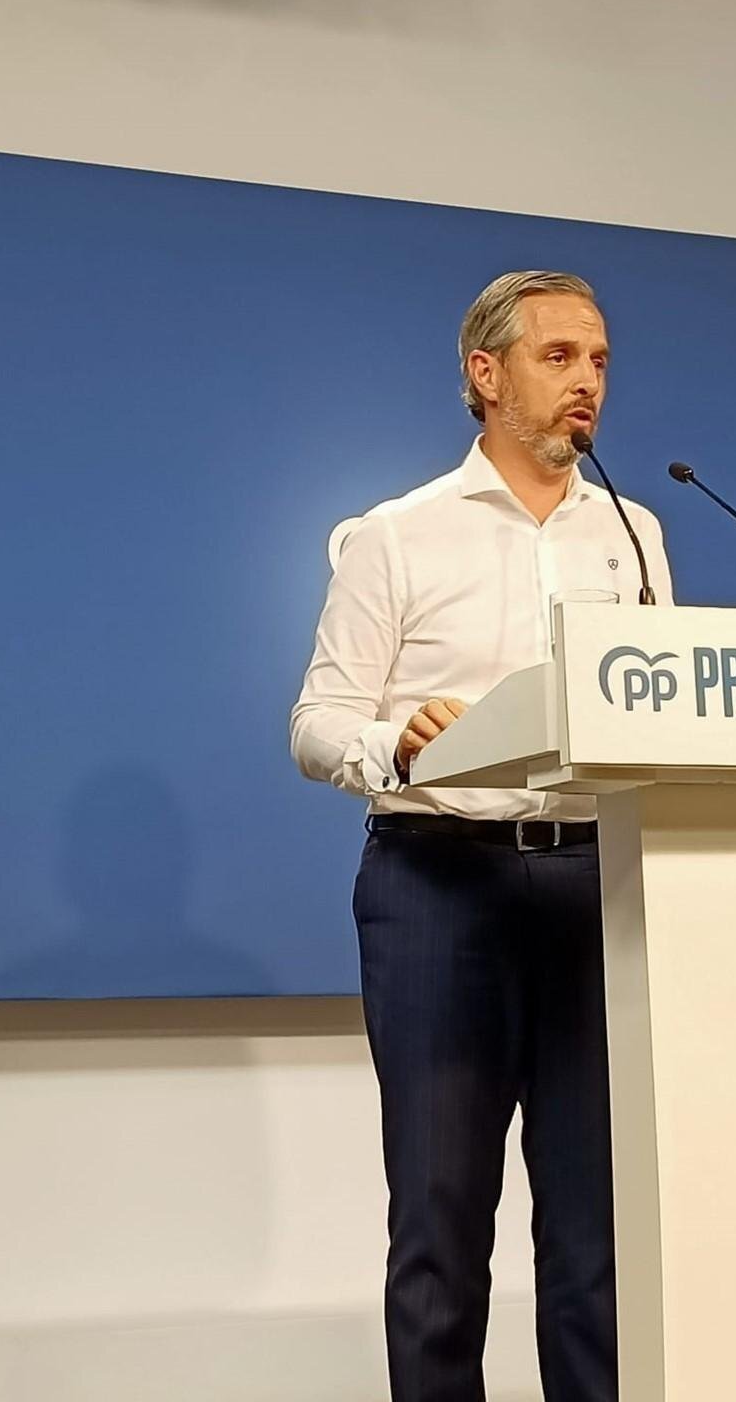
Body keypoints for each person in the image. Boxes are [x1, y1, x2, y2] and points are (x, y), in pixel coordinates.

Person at [290, 270, 673, 1402]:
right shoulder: (398, 535)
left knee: (597, 1229)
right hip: (438, 889)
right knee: (441, 1223)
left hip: (597, 887)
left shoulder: (635, 533)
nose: (587, 380)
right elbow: (316, 722)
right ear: (486, 374)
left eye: (599, 360)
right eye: (559, 357)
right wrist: (396, 743)